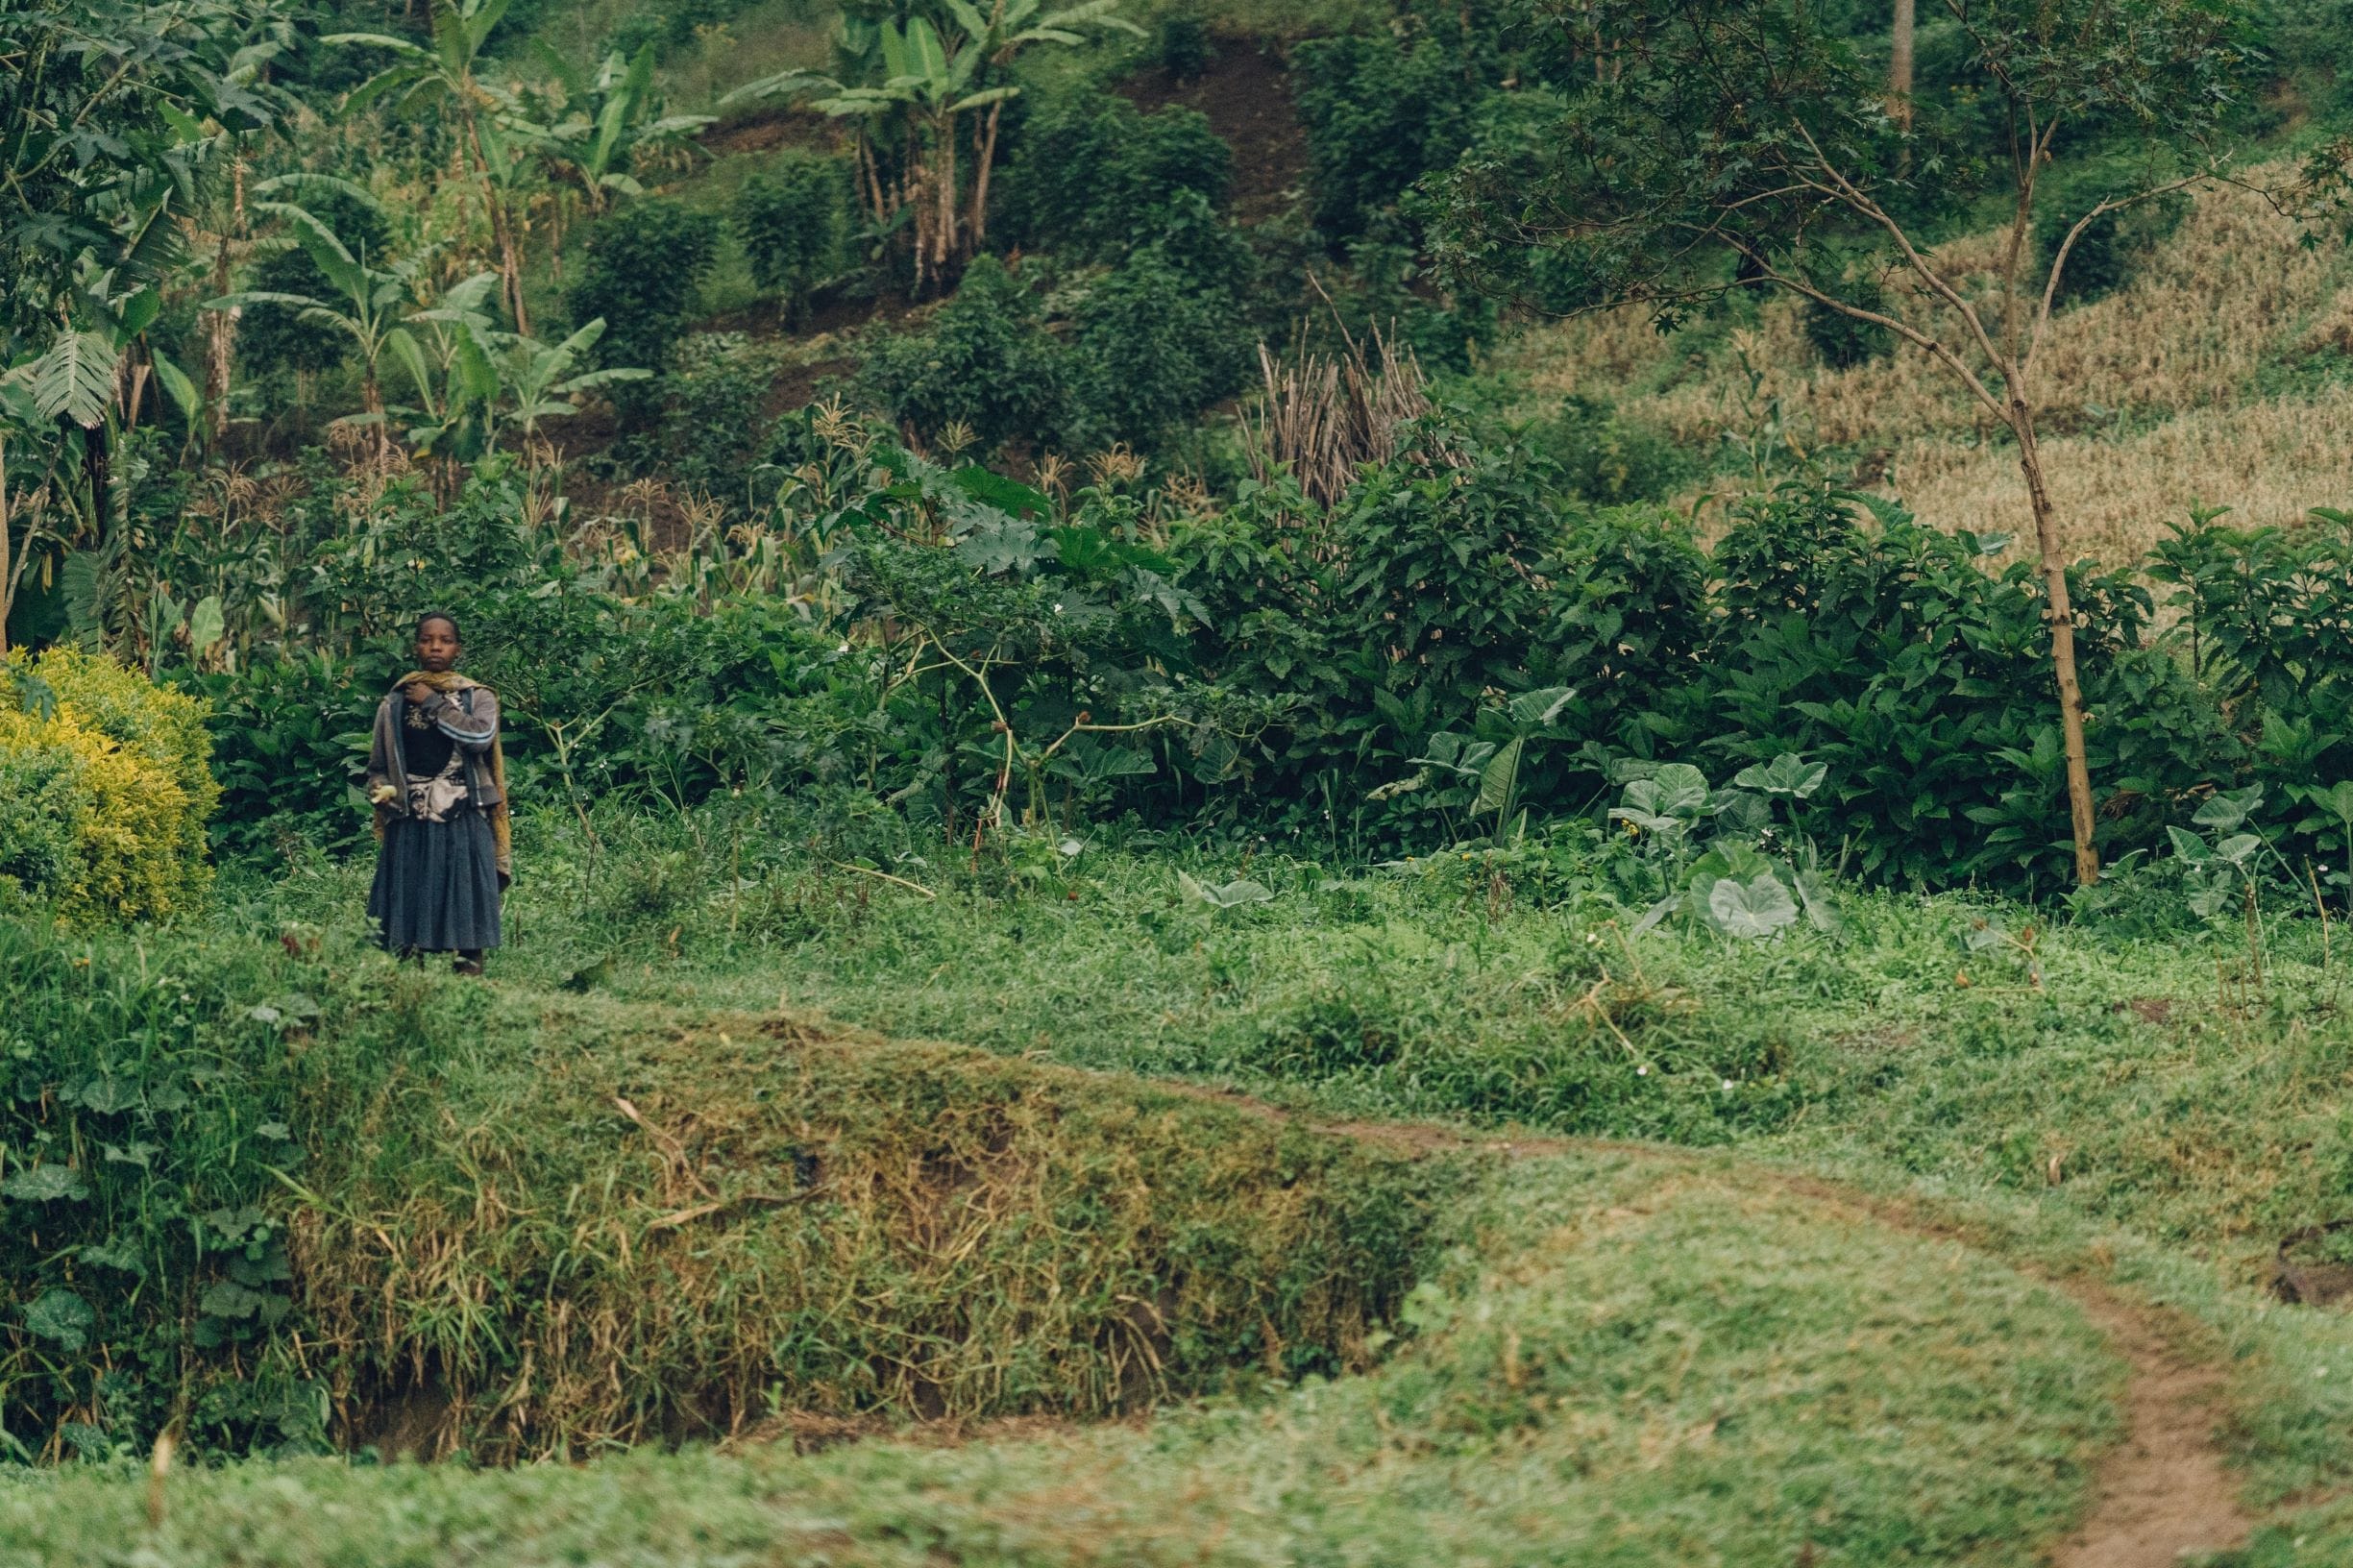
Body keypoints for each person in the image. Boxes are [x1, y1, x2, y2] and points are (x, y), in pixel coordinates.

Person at [365, 612, 510, 975]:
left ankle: (468, 978)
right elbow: (378, 763)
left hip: (464, 810)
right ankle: (407, 984)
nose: (435, 647)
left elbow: (478, 739)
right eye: (427, 640)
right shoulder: (395, 702)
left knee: (467, 895)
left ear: (457, 649)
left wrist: (432, 702)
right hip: (409, 814)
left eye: (444, 641)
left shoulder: (478, 697)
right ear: (416, 646)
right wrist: (380, 787)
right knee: (408, 898)